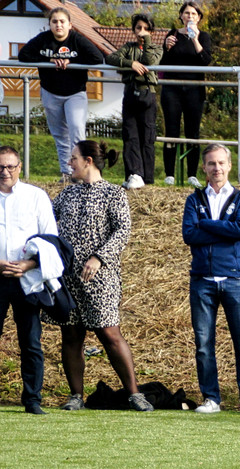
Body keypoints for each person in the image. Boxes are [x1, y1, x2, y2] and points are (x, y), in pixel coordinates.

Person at [47, 141, 153, 412]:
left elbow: (122, 230)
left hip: (101, 278)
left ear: (89, 161)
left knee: (110, 333)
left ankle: (134, 394)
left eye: (74, 159)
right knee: (71, 335)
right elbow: (46, 222)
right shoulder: (66, 195)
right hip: (67, 277)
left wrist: (99, 257)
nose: (69, 163)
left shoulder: (113, 194)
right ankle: (76, 396)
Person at [182, 145, 240, 415]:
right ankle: (211, 399)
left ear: (229, 166)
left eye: (220, 163)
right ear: (203, 168)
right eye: (211, 164)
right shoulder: (194, 200)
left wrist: (206, 224)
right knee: (204, 344)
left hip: (235, 279)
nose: (216, 168)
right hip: (202, 279)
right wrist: (221, 230)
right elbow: (189, 235)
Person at [0, 146, 57, 415]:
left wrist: (29, 264)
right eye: (0, 166)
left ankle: (32, 399)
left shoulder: (36, 197)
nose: (5, 171)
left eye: (10, 166)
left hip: (27, 280)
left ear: (20, 167)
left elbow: (50, 240)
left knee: (31, 341)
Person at [17, 7, 103, 182]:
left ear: (70, 24)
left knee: (76, 129)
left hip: (75, 93)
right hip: (50, 93)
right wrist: (48, 60)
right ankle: (66, 173)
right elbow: (23, 55)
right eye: (54, 21)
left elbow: (97, 57)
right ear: (49, 24)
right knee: (59, 135)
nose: (58, 25)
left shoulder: (77, 40)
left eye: (62, 21)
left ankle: (81, 174)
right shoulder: (43, 39)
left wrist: (71, 61)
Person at [105, 13, 163, 190]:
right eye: (138, 28)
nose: (141, 32)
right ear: (133, 30)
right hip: (130, 93)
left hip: (148, 94)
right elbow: (110, 58)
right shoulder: (128, 48)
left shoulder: (156, 48)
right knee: (130, 135)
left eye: (146, 28)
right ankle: (133, 174)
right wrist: (130, 64)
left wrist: (146, 43)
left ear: (151, 31)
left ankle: (147, 176)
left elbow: (150, 61)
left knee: (147, 136)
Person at [159, 1, 213, 188]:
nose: (190, 16)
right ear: (181, 16)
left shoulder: (204, 36)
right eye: (187, 13)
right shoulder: (172, 34)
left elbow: (205, 60)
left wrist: (195, 39)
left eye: (194, 14)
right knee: (171, 131)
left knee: (193, 132)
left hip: (194, 90)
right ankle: (169, 175)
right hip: (172, 89)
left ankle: (192, 174)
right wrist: (166, 47)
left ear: (199, 18)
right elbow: (162, 65)